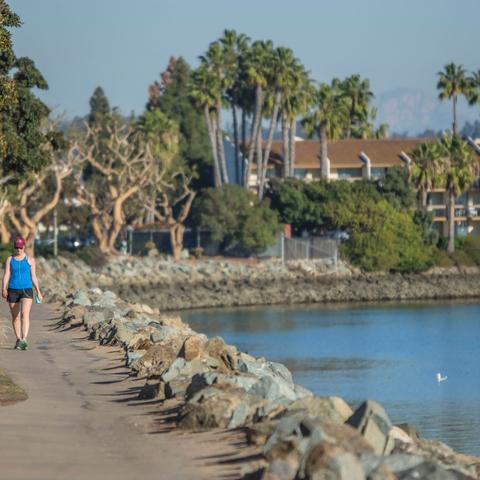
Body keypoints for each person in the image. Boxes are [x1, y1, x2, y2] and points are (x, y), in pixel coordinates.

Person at [1, 235, 43, 350]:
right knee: (15, 316)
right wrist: (3, 288)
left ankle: (24, 339)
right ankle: (19, 339)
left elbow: (33, 276)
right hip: (13, 290)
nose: (18, 249)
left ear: (24, 246)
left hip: (27, 289)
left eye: (20, 247)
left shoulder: (30, 259)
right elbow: (6, 275)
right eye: (17, 247)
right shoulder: (10, 259)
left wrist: (38, 291)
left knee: (25, 314)